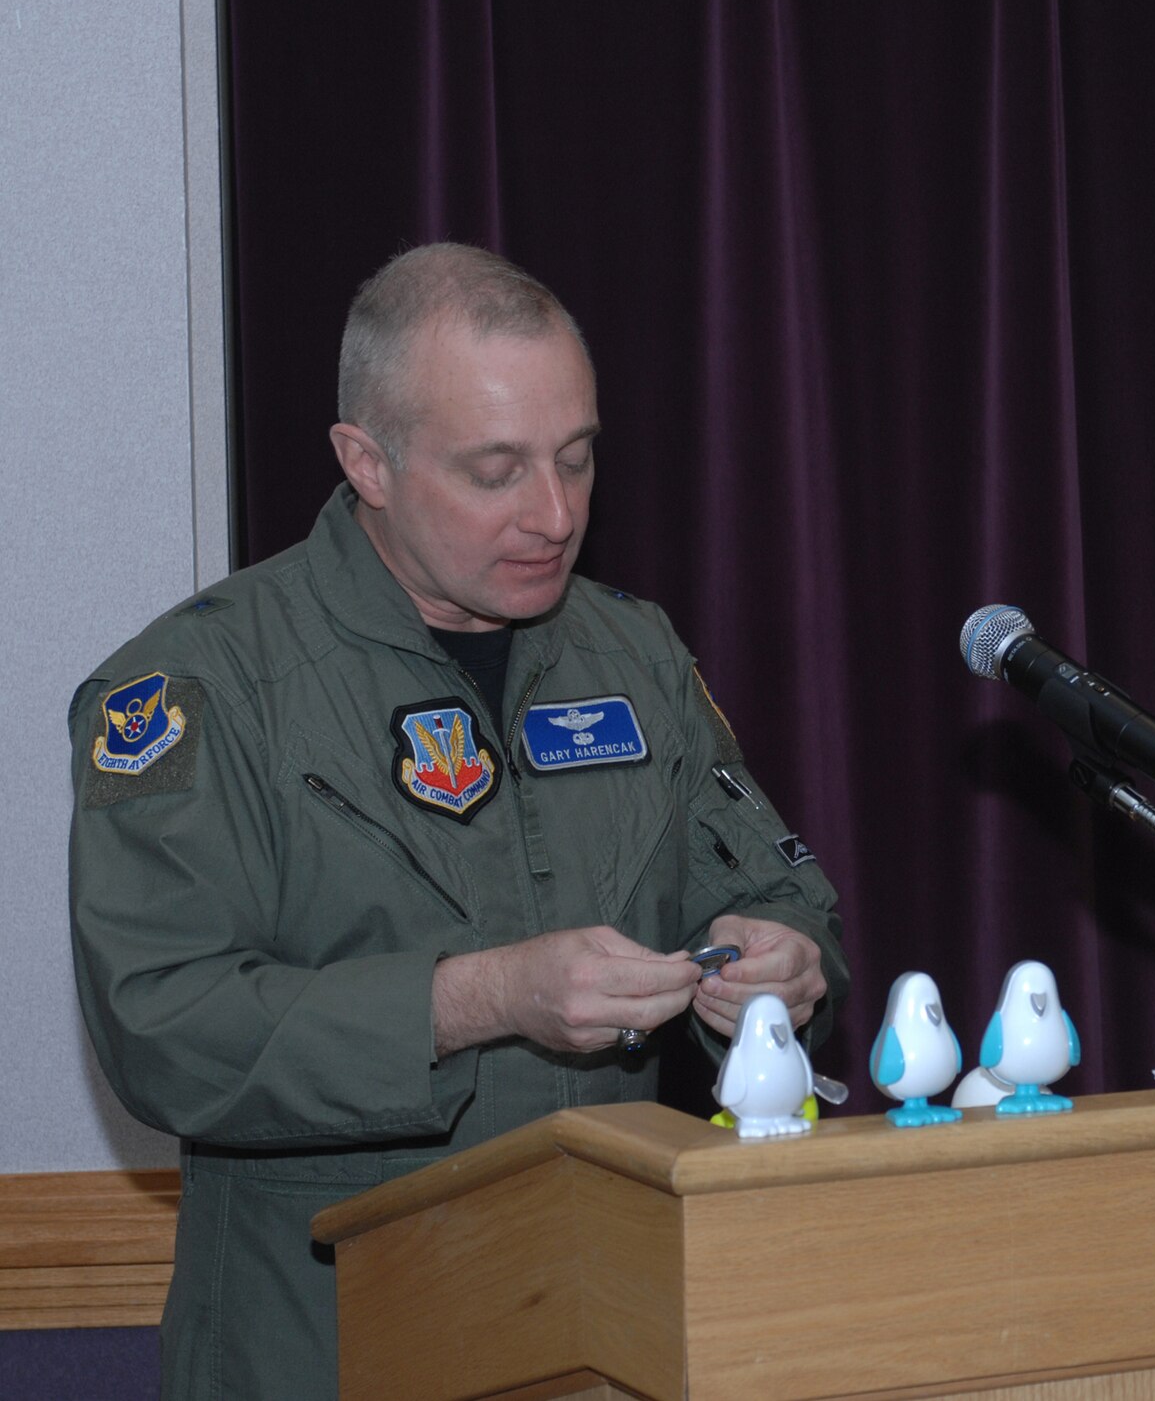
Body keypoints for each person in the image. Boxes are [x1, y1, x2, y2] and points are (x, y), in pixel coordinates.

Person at [68, 243, 848, 1399]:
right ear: (365, 462)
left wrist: (782, 969)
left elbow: (779, 892)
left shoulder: (628, 653)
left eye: (577, 461)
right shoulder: (201, 688)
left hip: (603, 1330)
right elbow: (163, 1026)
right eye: (495, 471)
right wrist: (478, 998)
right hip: (321, 1344)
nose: (553, 514)